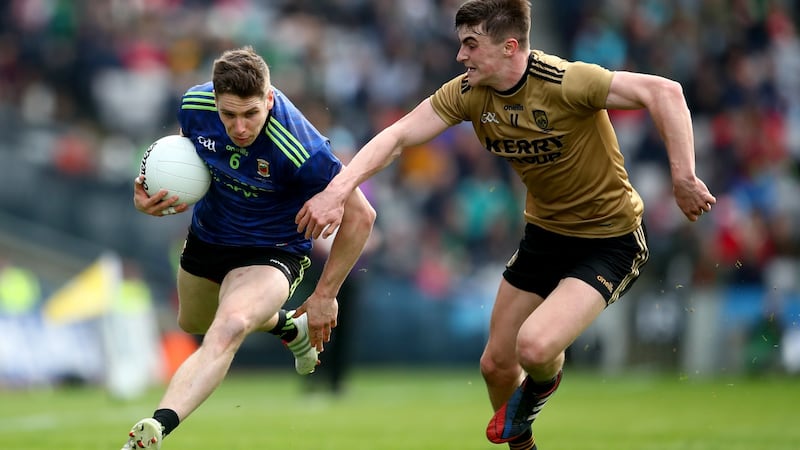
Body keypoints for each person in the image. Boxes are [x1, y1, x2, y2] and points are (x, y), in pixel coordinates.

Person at [295, 1, 716, 449]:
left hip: (609, 240)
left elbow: (666, 92)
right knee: (495, 365)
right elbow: (397, 137)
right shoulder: (469, 92)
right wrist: (338, 191)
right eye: (461, 45)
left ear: (510, 46)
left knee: (533, 348)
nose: (461, 57)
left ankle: (540, 387)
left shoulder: (567, 81)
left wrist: (684, 176)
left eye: (471, 45)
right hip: (545, 236)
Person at [123, 46, 376, 450]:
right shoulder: (193, 104)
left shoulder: (301, 147)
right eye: (229, 115)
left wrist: (325, 294)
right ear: (215, 102)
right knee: (194, 322)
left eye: (251, 114)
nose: (240, 128)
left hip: (273, 249)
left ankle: (156, 428)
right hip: (210, 235)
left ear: (269, 98)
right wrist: (147, 193)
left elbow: (362, 215)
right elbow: (182, 159)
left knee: (230, 326)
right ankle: (288, 326)